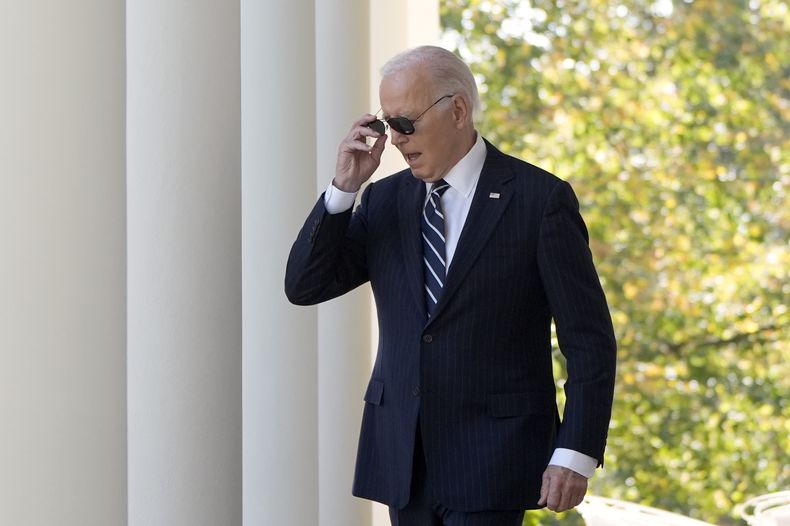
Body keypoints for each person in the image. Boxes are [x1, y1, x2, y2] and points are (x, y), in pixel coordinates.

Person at [285, 45, 616, 526]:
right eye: (387, 125)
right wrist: (344, 189)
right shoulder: (383, 202)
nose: (396, 140)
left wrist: (575, 452)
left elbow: (589, 340)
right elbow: (305, 285)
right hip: (404, 457)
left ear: (457, 110)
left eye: (405, 123)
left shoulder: (539, 201)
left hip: (496, 458)